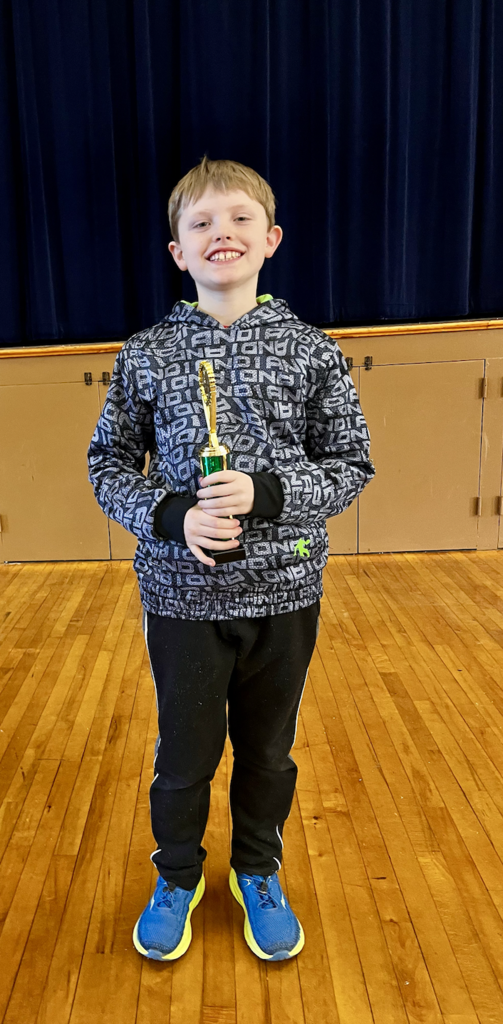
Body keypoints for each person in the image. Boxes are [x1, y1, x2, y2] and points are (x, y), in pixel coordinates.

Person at [88, 156, 375, 963]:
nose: (223, 233)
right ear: (177, 251)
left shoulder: (313, 351)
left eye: (241, 219)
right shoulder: (146, 353)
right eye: (202, 223)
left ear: (271, 238)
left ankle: (257, 865)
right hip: (181, 599)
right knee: (182, 756)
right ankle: (176, 872)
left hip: (285, 593)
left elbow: (350, 464)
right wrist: (172, 515)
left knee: (267, 750)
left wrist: (270, 497)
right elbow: (107, 464)